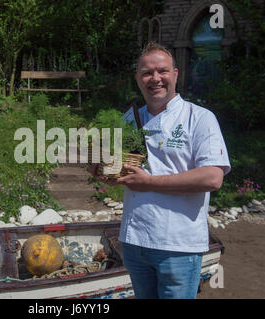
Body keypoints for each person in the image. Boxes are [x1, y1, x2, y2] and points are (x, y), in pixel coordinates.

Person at [88, 42, 231, 299]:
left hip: (178, 245)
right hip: (134, 242)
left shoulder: (199, 118)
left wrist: (150, 182)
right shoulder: (129, 119)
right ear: (137, 79)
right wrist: (103, 173)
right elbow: (124, 174)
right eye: (146, 73)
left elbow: (213, 177)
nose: (155, 78)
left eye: (162, 71)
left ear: (175, 74)